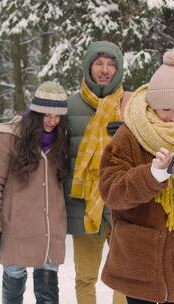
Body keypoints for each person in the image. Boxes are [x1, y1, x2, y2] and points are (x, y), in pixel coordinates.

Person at [98, 51, 174, 304]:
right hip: (137, 262)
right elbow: (111, 192)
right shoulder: (129, 136)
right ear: (153, 106)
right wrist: (152, 175)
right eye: (166, 109)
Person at [0, 81, 70, 304]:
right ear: (35, 112)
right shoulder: (9, 136)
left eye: (58, 116)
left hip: (50, 228)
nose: (52, 121)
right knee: (14, 280)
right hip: (16, 228)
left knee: (48, 290)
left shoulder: (62, 138)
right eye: (47, 115)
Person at [64, 40, 129, 304]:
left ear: (118, 69)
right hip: (83, 204)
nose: (104, 70)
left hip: (122, 204)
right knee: (85, 277)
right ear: (88, 67)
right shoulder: (69, 106)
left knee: (125, 277)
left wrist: (128, 132)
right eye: (99, 63)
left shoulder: (131, 106)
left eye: (111, 64)